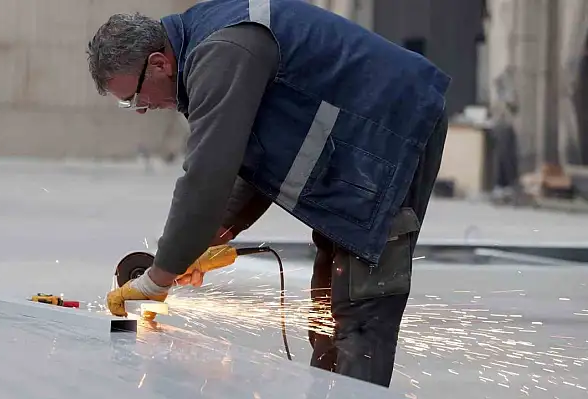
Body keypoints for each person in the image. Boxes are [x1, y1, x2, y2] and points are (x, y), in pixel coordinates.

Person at [88, 0, 450, 387]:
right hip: (354, 145)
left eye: (134, 97)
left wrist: (160, 276)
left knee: (359, 314)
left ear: (159, 63)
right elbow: (251, 159)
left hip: (393, 133)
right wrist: (204, 241)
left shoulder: (221, 52)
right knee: (328, 310)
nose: (141, 109)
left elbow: (209, 173)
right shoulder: (206, 43)